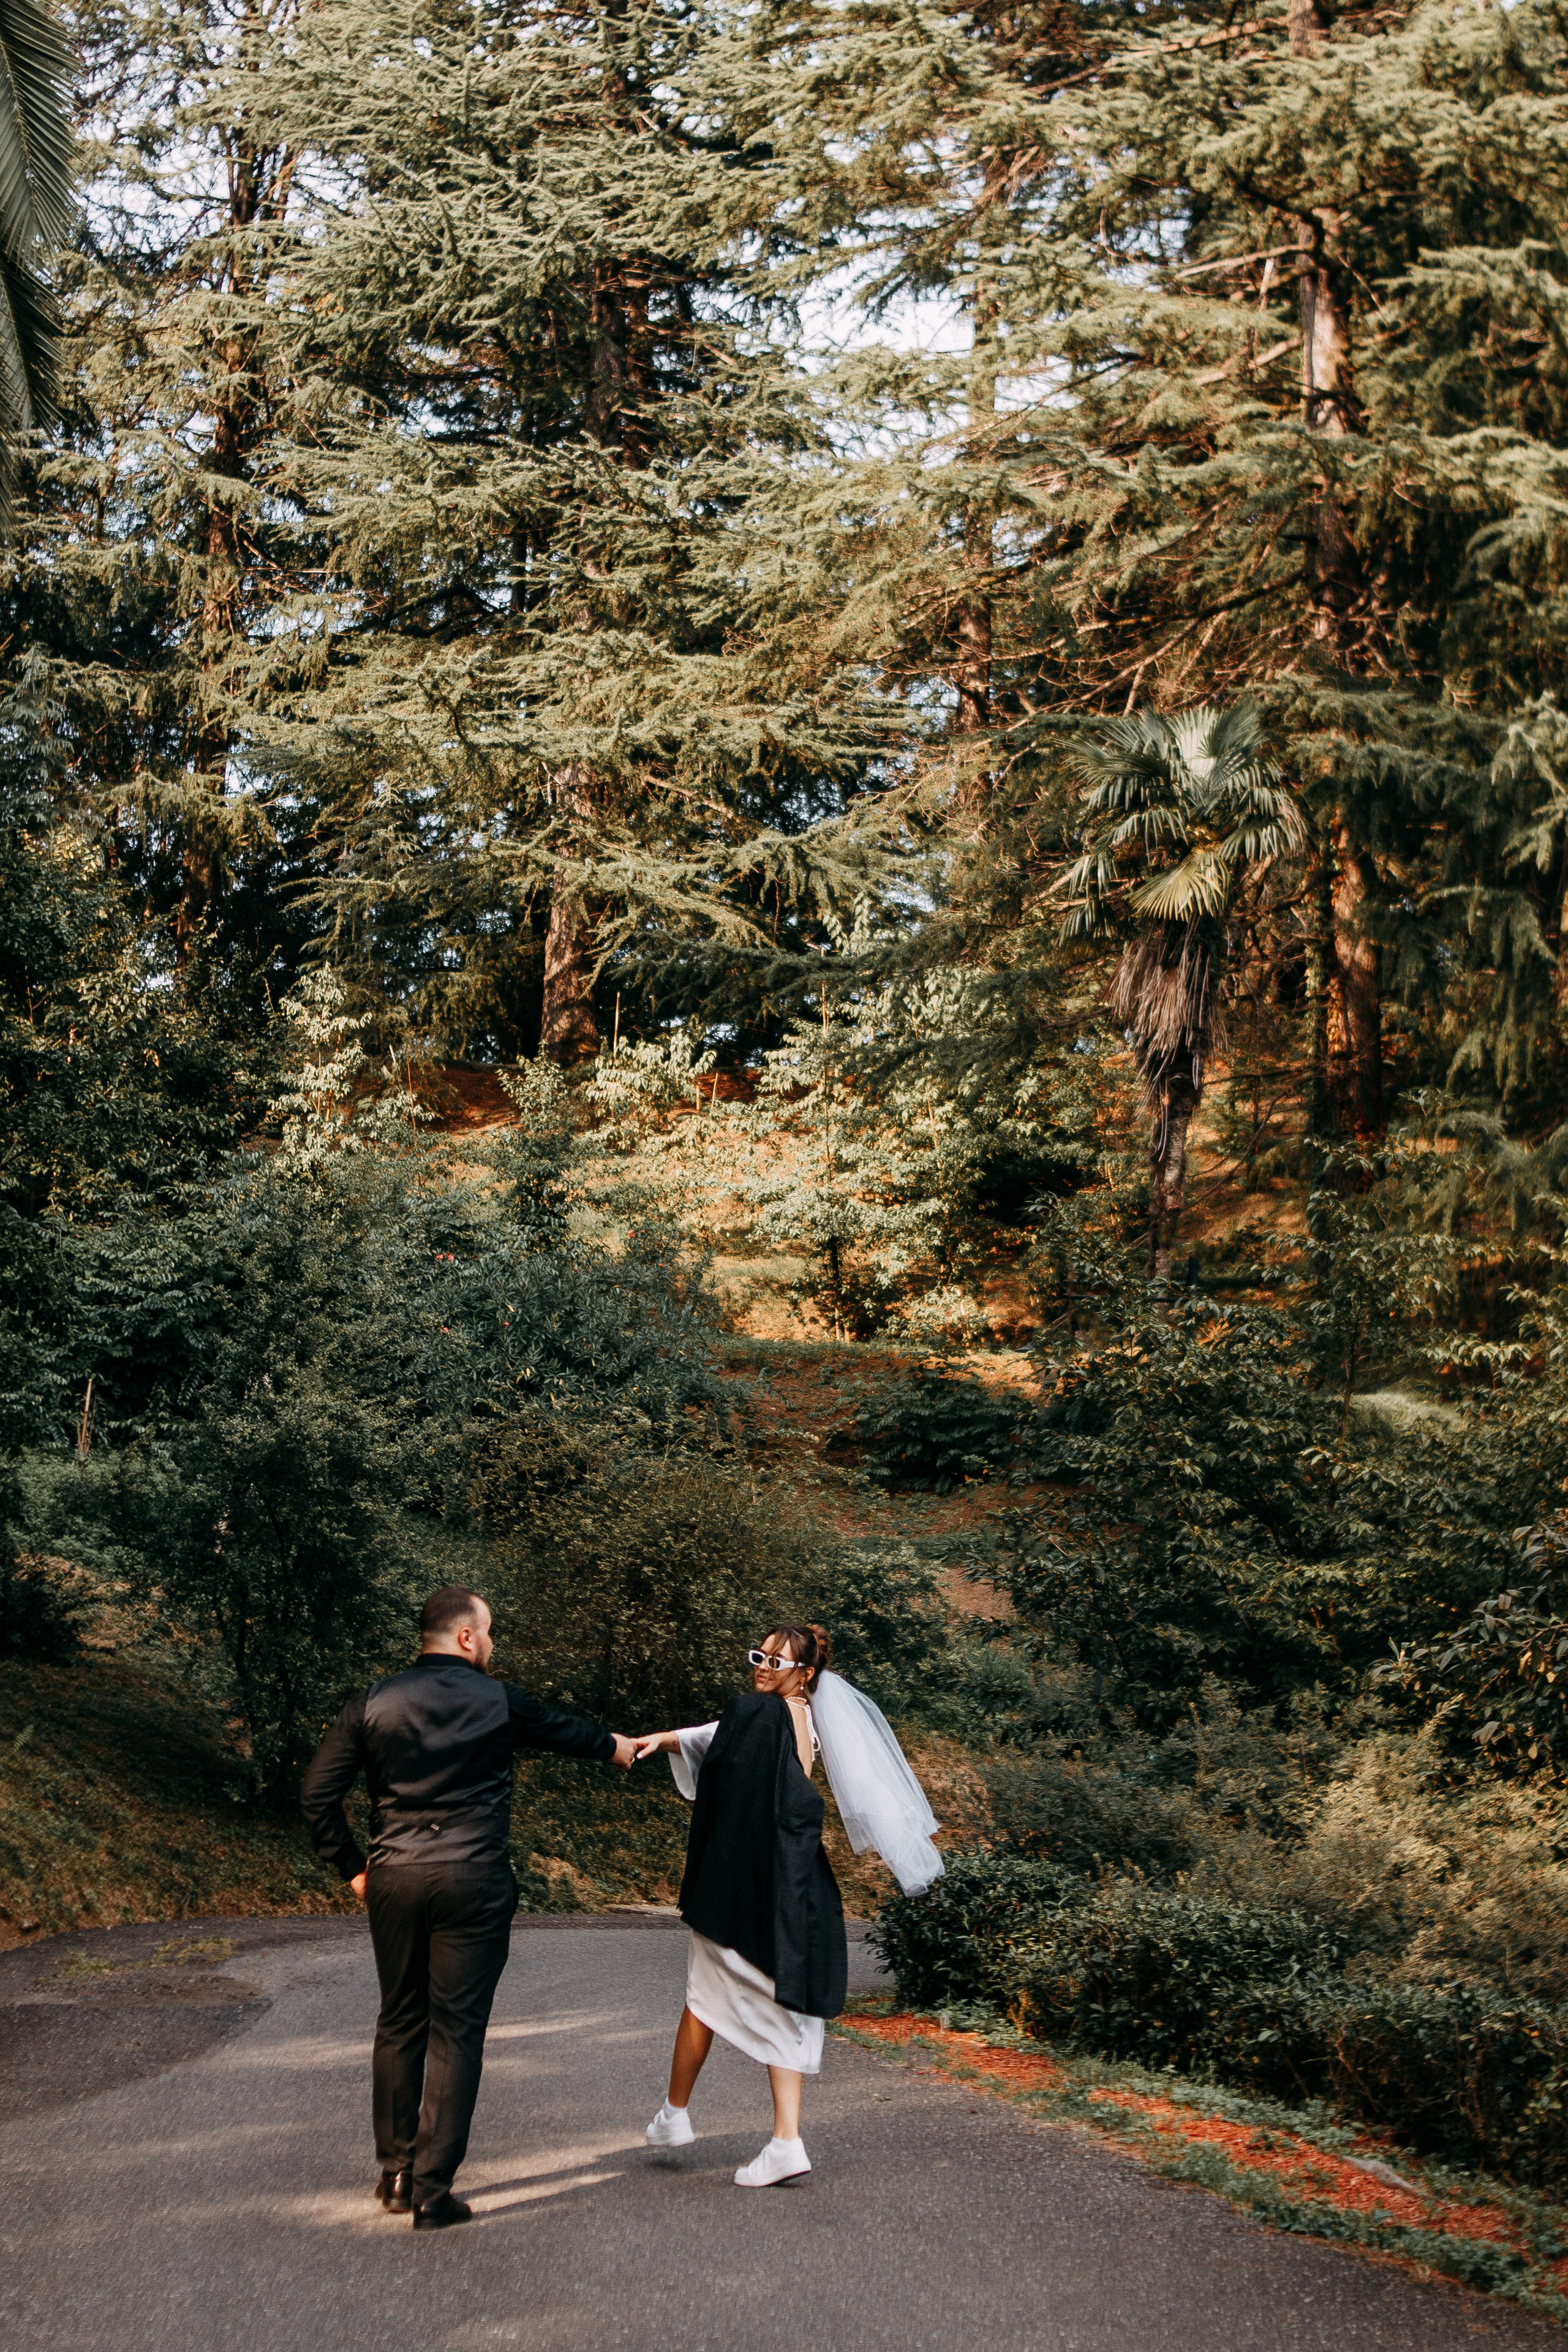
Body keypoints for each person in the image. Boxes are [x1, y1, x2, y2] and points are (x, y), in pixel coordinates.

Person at [301, 1585, 635, 2230]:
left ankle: (397, 2175)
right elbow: (568, 1731)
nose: (491, 1644)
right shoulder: (498, 1700)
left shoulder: (372, 1701)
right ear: (464, 1636)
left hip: (395, 1877)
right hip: (473, 1878)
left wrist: (354, 1869)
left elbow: (317, 1794)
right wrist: (615, 1747)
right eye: (489, 1633)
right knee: (456, 2030)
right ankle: (433, 2195)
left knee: (400, 2019)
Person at [634, 1622, 944, 2189]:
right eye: (759, 1655)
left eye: (776, 1662)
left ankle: (778, 2139)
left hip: (743, 1886)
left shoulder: (758, 1714)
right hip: (787, 1883)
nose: (762, 1667)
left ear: (804, 1675)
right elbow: (710, 1737)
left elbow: (722, 1751)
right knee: (729, 2000)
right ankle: (681, 2116)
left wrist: (667, 1743)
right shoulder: (802, 1722)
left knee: (733, 2003)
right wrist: (665, 1739)